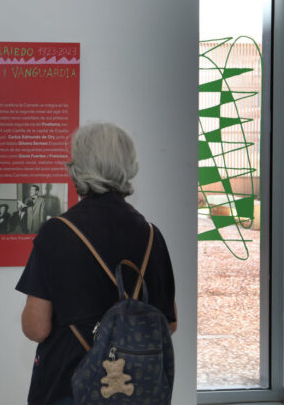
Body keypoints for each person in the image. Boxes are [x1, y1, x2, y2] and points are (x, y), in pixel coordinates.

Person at [15, 122, 177, 405]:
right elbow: (168, 323)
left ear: (78, 167)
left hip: (67, 387)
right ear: (128, 166)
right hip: (134, 390)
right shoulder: (152, 235)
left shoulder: (56, 232)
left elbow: (36, 327)